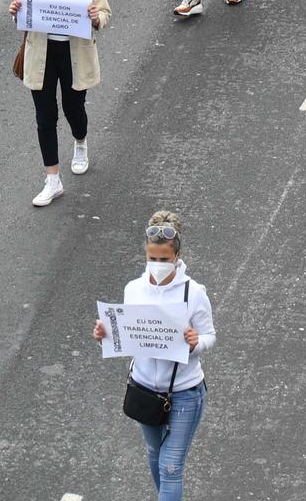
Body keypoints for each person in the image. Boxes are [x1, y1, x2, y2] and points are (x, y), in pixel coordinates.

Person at [93, 212, 215, 500]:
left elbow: (210, 336)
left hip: (185, 392)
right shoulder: (133, 289)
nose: (158, 265)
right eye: (153, 258)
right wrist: (105, 335)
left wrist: (196, 343)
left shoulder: (194, 293)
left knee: (171, 466)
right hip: (145, 389)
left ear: (177, 256)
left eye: (164, 259)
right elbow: (131, 336)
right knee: (155, 456)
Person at [10, 0, 110, 206]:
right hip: (41, 52)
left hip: (74, 53)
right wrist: (16, 9)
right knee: (45, 116)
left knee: (73, 107)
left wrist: (95, 18)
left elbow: (104, 13)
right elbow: (24, 10)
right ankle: (52, 178)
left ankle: (80, 141)